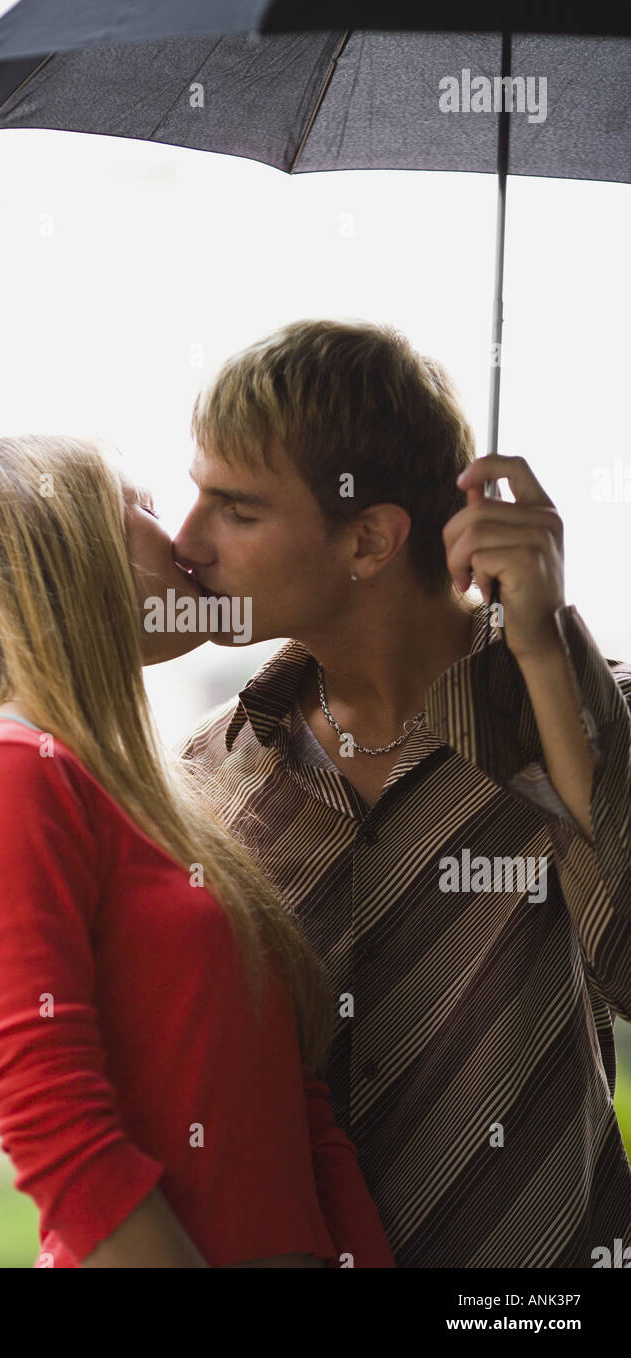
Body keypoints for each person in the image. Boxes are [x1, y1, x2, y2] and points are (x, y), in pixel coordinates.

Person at [173, 317, 631, 1268]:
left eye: (236, 510)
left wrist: (542, 653)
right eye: (195, 499)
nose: (189, 544)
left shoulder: (585, 717)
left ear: (371, 538)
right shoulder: (206, 779)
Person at [0, 433, 395, 1268]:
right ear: (58, 554)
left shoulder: (169, 804)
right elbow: (62, 1137)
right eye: (140, 508)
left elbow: (300, 1113)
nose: (184, 540)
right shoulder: (8, 774)